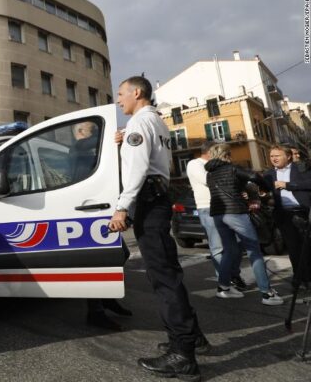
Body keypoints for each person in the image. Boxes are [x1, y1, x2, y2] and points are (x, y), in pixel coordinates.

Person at [109, 76, 205, 381]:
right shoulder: (156, 122)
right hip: (159, 197)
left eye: (121, 94)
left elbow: (137, 170)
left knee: (163, 278)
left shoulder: (140, 123)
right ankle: (191, 338)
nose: (118, 100)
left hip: (149, 202)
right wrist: (125, 141)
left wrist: (122, 207)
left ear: (137, 93)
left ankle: (182, 356)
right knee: (169, 272)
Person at [69, 121, 133, 331]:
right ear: (80, 133)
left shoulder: (91, 149)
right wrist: (110, 138)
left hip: (97, 210)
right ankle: (95, 311)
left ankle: (105, 298)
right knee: (95, 263)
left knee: (121, 253)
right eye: (92, 131)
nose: (96, 134)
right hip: (84, 211)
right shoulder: (77, 147)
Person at [204, 143, 283, 306]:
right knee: (253, 249)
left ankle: (223, 288)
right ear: (227, 154)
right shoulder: (233, 168)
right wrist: (265, 187)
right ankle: (267, 293)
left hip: (218, 214)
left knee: (229, 250)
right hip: (235, 213)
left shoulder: (210, 174)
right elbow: (254, 176)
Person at [185, 142, 246, 290]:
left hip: (228, 207)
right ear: (210, 152)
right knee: (218, 246)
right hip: (208, 207)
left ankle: (233, 275)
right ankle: (224, 280)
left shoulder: (218, 166)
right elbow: (211, 180)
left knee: (237, 244)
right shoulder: (195, 164)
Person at [264, 145, 311, 286]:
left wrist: (288, 185)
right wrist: (263, 195)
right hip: (284, 215)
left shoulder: (301, 168)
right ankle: (299, 279)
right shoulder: (269, 174)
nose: (274, 158)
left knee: (307, 247)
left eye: (277, 155)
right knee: (293, 249)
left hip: (304, 212)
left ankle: (308, 277)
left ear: (288, 156)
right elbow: (267, 194)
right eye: (272, 156)